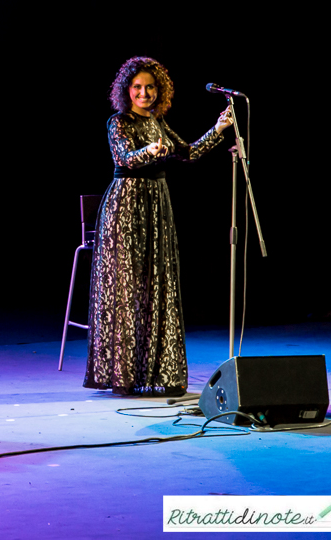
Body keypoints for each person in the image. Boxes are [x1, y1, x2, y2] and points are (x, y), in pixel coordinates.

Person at [83, 57, 233, 396]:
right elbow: (124, 158)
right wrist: (149, 149)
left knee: (158, 287)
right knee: (127, 289)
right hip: (126, 207)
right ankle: (123, 377)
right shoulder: (118, 122)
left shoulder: (158, 122)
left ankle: (160, 374)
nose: (144, 92)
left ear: (159, 90)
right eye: (137, 87)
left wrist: (219, 129)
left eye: (150, 87)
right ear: (127, 91)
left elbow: (189, 153)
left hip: (156, 207)